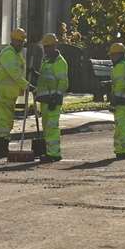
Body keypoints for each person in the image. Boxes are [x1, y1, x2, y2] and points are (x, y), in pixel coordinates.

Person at [34, 33, 70, 161]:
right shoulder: (46, 60)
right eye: (45, 47)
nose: (46, 49)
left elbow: (63, 82)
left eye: (48, 46)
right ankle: (49, 151)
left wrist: (56, 96)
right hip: (45, 99)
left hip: (53, 99)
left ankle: (54, 153)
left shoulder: (60, 62)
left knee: (52, 127)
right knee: (47, 127)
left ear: (55, 46)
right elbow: (45, 78)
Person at [0, 27, 29, 151]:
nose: (21, 44)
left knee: (2, 120)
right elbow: (15, 74)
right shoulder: (9, 53)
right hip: (3, 93)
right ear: (13, 40)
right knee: (4, 120)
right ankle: (2, 146)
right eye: (19, 41)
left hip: (8, 93)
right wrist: (27, 86)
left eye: (22, 41)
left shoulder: (15, 53)